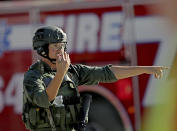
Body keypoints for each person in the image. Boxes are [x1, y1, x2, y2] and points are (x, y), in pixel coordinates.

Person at [22, 26, 167, 131]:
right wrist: (60, 74)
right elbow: (44, 100)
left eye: (62, 46)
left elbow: (106, 73)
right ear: (42, 49)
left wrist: (145, 69)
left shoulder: (72, 72)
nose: (61, 50)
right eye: (55, 46)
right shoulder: (33, 76)